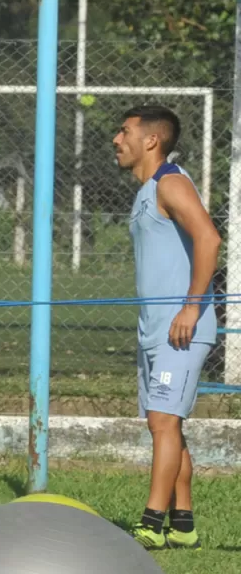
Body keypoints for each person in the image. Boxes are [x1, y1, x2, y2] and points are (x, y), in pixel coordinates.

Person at [114, 105, 220, 551]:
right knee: (167, 425)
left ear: (151, 140)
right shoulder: (145, 192)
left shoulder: (170, 181)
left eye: (124, 131)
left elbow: (209, 238)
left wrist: (191, 308)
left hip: (182, 327)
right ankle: (182, 523)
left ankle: (151, 524)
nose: (116, 140)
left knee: (162, 422)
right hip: (155, 330)